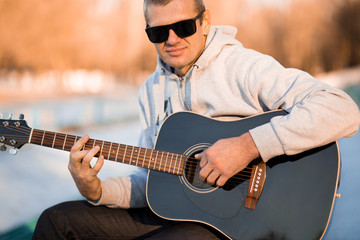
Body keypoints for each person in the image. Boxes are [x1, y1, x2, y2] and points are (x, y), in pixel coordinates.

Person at [33, 0, 360, 239]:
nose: (171, 39)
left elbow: (342, 109)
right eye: (158, 32)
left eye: (184, 26)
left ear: (205, 22)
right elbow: (148, 183)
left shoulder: (243, 67)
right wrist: (95, 190)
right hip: (181, 213)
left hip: (241, 223)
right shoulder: (151, 91)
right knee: (56, 221)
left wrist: (247, 146)